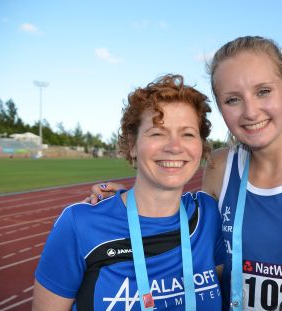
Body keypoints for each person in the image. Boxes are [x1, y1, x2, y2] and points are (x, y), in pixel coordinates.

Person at [88, 36, 282, 310]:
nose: (250, 112)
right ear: (220, 107)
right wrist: (134, 199)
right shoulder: (219, 167)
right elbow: (193, 237)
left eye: (263, 91)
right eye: (232, 99)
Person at [33, 74, 225, 310]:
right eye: (157, 133)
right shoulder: (80, 224)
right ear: (132, 145)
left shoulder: (208, 216)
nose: (174, 147)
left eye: (187, 134)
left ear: (201, 146)